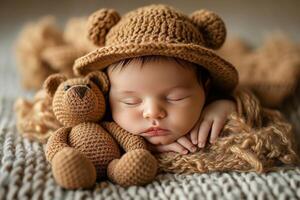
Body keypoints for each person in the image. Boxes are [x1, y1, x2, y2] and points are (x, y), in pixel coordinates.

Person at [73, 4, 239, 155]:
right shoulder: (98, 107)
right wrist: (139, 146)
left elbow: (249, 98)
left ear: (206, 89)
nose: (152, 113)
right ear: (107, 94)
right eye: (130, 101)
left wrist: (226, 105)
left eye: (175, 97)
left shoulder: (211, 100)